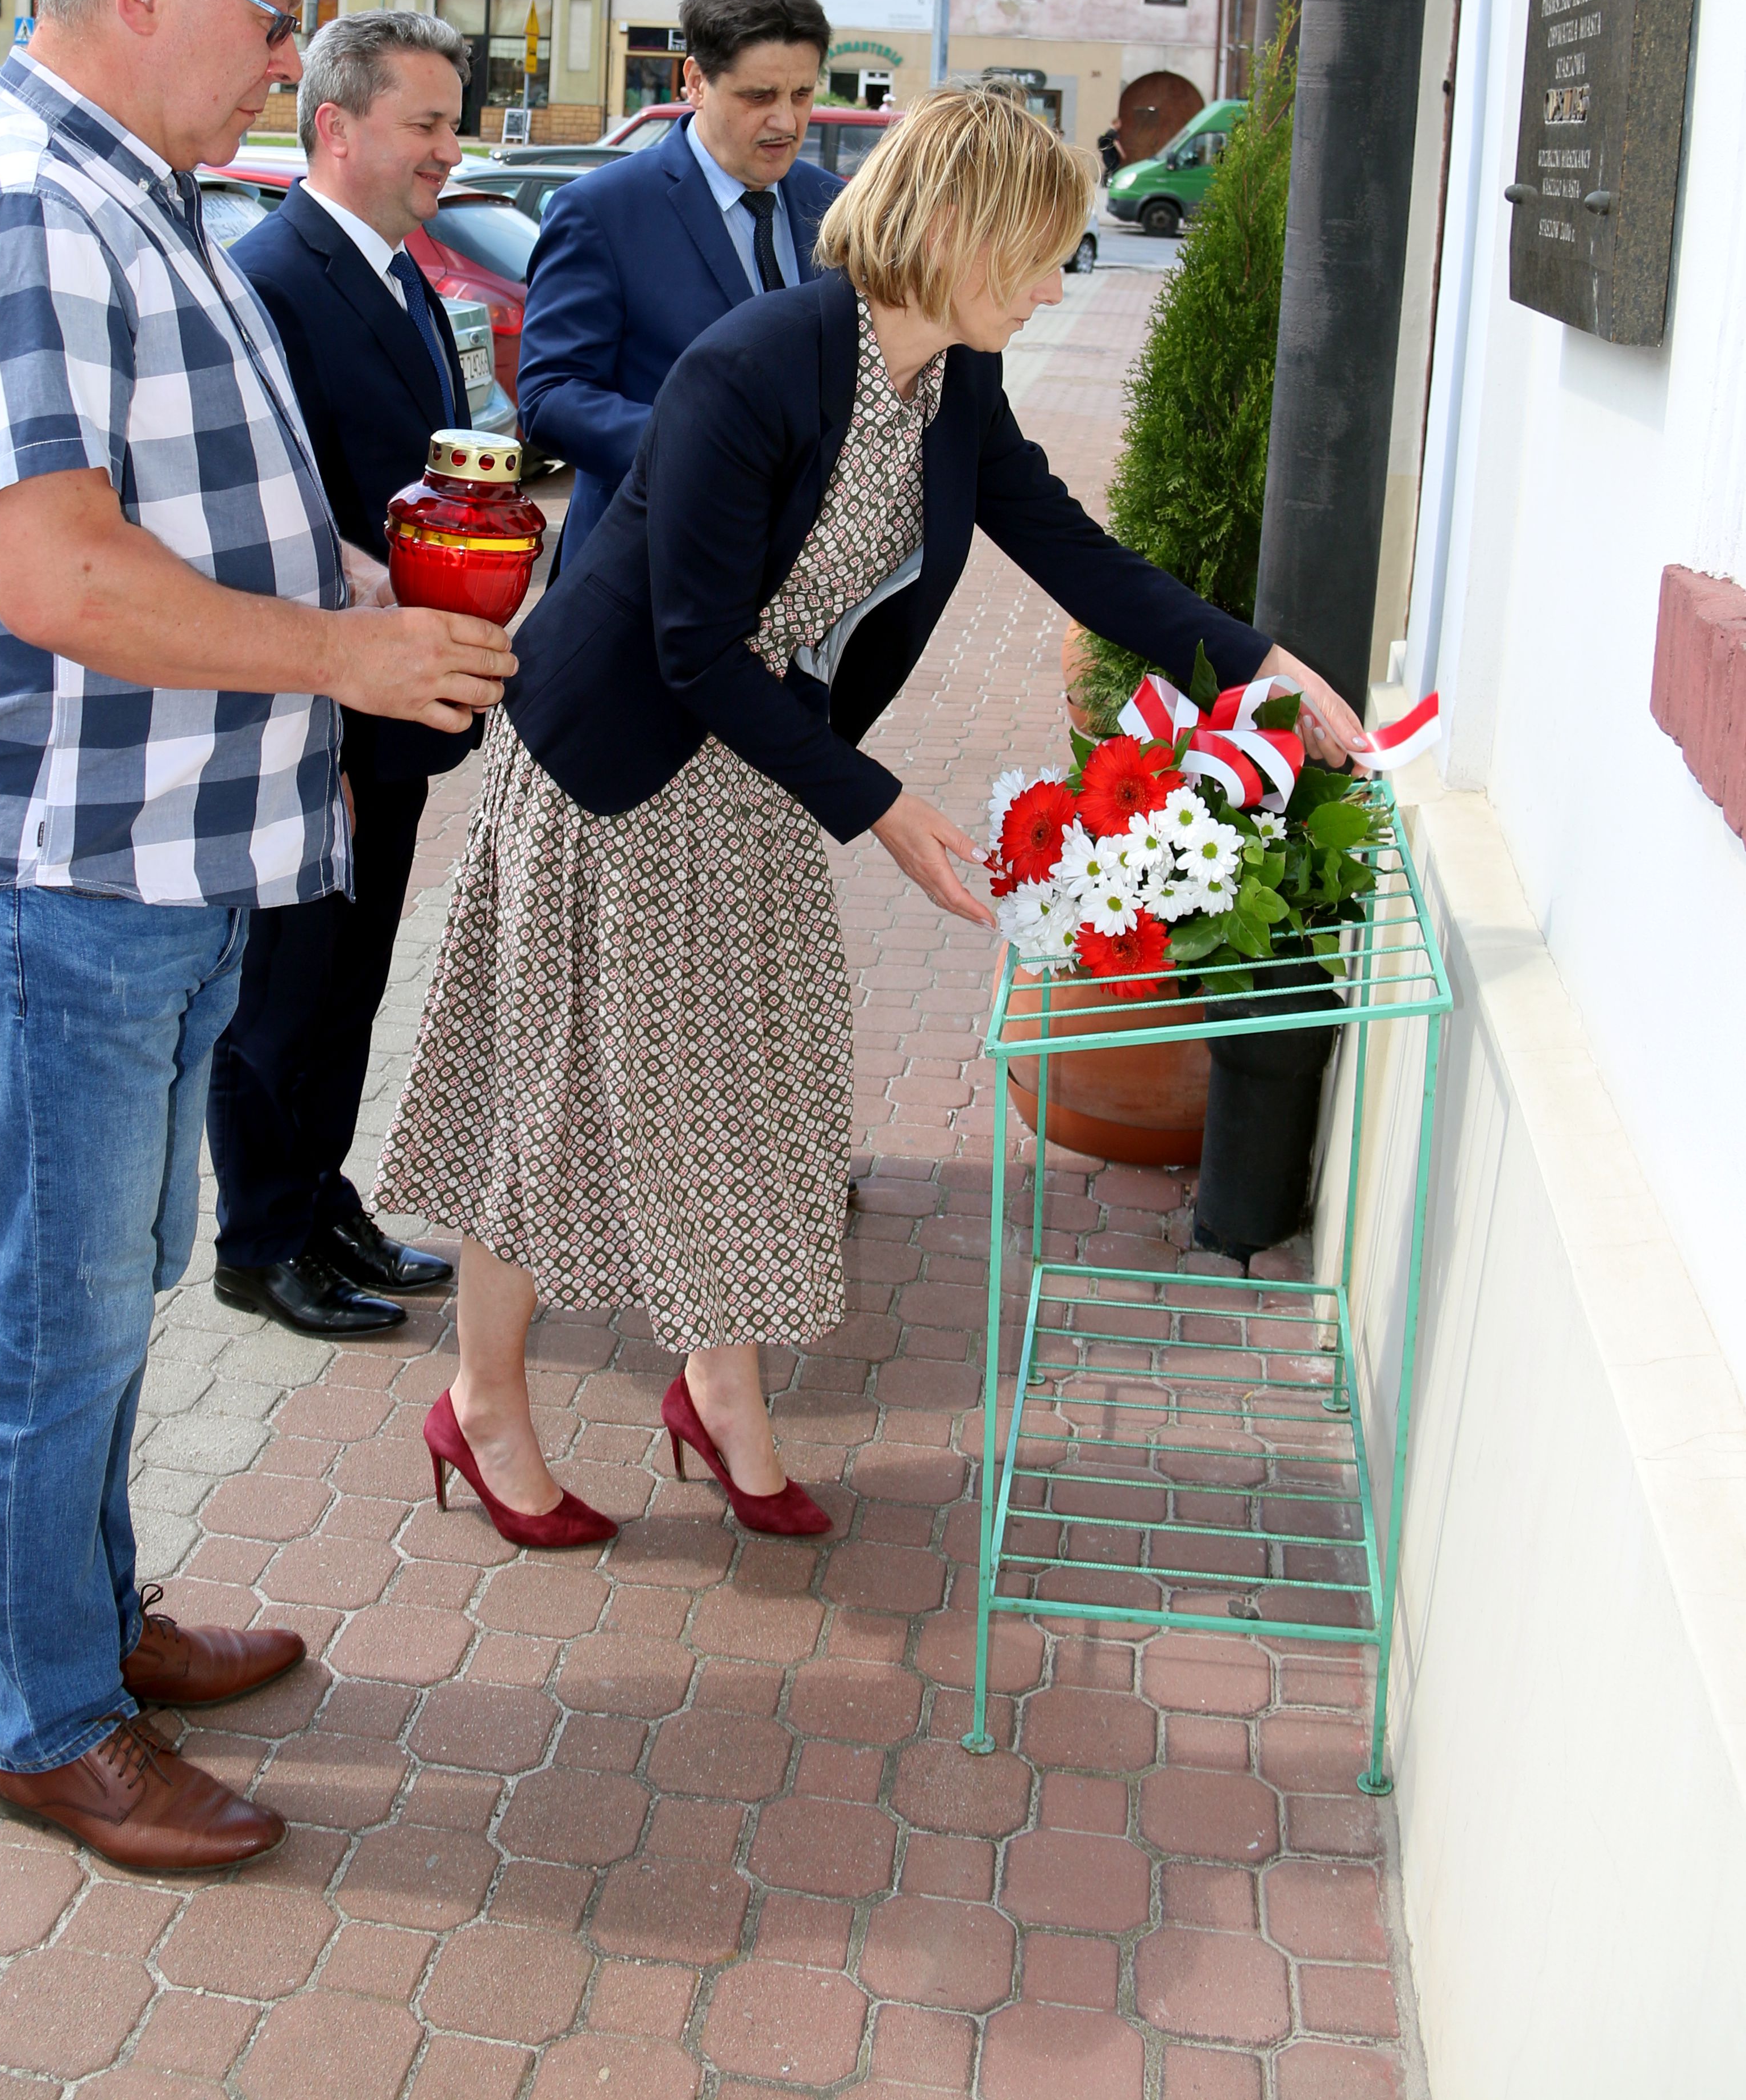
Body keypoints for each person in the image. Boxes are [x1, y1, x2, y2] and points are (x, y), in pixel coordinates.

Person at [373, 86, 1363, 1547]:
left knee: (754, 1099)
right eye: (1035, 254)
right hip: (621, 769)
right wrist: (889, 812)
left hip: (761, 773)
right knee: (558, 1095)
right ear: (954, 229)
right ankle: (482, 1399)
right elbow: (691, 645)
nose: (1048, 286)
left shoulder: (950, 381)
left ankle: (720, 1396)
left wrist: (1266, 669)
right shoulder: (752, 365)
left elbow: (1075, 554)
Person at [0, 0, 514, 1869]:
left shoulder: (140, 201)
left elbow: (225, 504)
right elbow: (63, 575)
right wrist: (345, 648)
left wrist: (371, 588)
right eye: (271, 11)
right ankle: (48, 1721)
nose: (285, 54)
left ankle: (97, 1623)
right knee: (53, 1327)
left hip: (152, 866)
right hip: (54, 877)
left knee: (110, 1303)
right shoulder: (15, 220)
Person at [207, 11, 482, 1336]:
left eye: (448, 120)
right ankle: (259, 1240)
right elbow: (267, 519)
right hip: (314, 714)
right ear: (335, 127)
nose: (449, 146)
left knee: (349, 975)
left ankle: (319, 1201)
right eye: (424, 122)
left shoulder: (396, 271)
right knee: (284, 989)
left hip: (393, 702)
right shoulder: (272, 276)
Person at [517, 0, 842, 570]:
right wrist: (704, 451)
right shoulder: (601, 210)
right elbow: (549, 397)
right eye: (758, 96)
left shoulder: (837, 207)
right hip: (640, 578)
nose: (786, 121)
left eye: (801, 94)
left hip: (787, 588)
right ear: (694, 80)